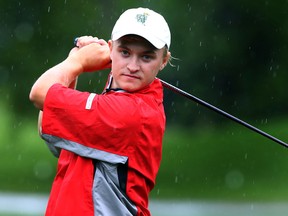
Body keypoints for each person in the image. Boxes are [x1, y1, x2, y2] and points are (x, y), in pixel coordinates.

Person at [29, 7, 171, 216]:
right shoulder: (118, 101)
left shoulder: (130, 114)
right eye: (125, 52)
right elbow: (47, 124)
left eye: (146, 57)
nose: (132, 66)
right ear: (111, 49)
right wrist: (76, 62)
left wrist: (77, 62)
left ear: (164, 61)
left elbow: (39, 94)